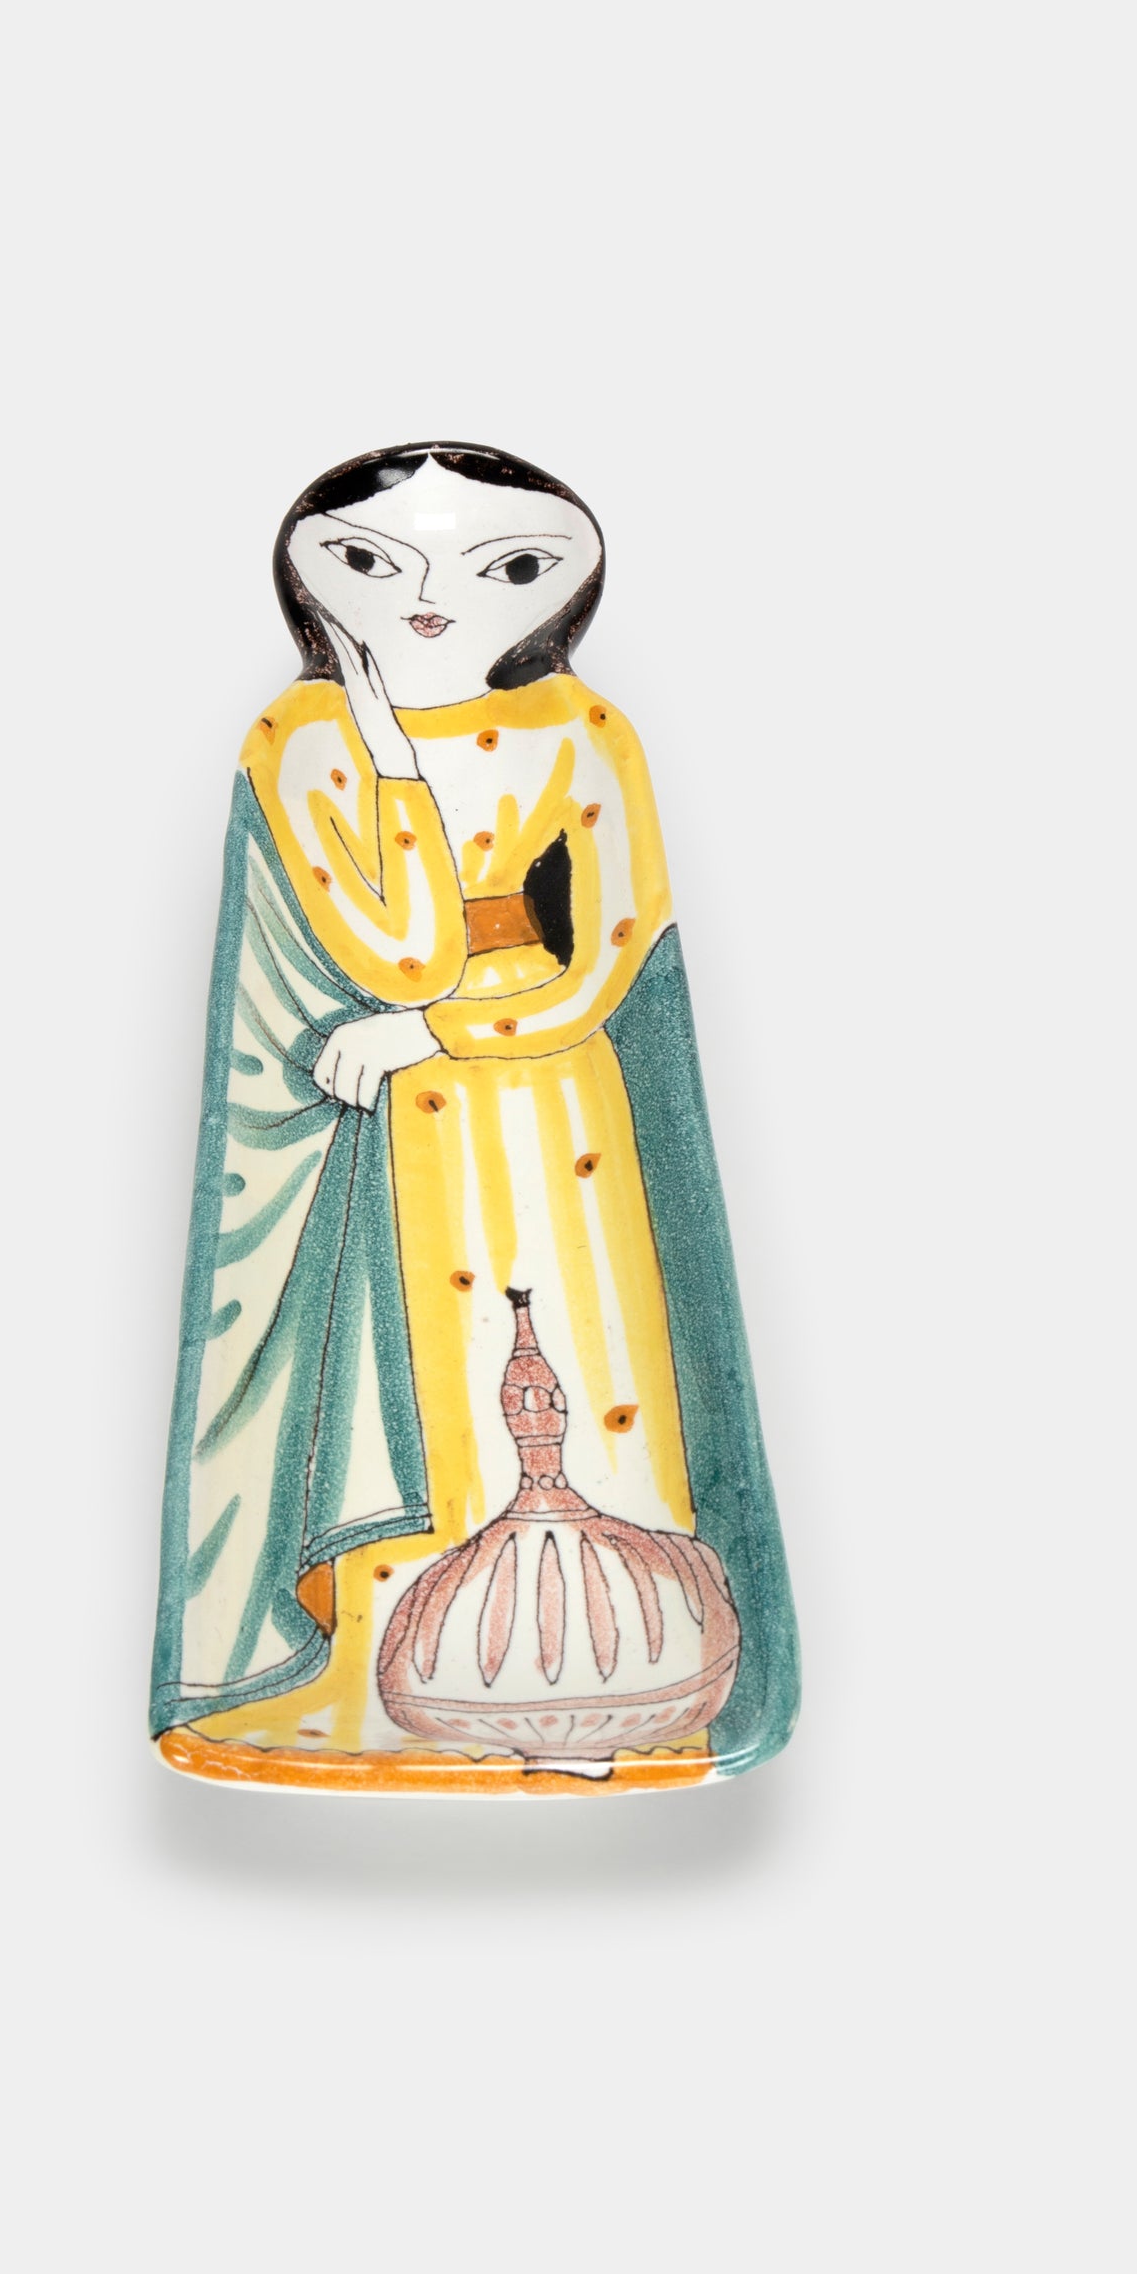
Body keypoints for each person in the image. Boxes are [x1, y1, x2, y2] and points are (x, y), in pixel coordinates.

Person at [150, 441, 797, 1791]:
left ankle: (607, 1685)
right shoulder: (301, 739)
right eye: (375, 565)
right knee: (425, 1373)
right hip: (399, 1119)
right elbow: (398, 952)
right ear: (311, 580)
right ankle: (394, 1684)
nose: (434, 599)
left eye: (504, 567)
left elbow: (602, 957)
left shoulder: (587, 733)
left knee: (588, 1360)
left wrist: (445, 1028)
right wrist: (391, 758)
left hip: (556, 1095)